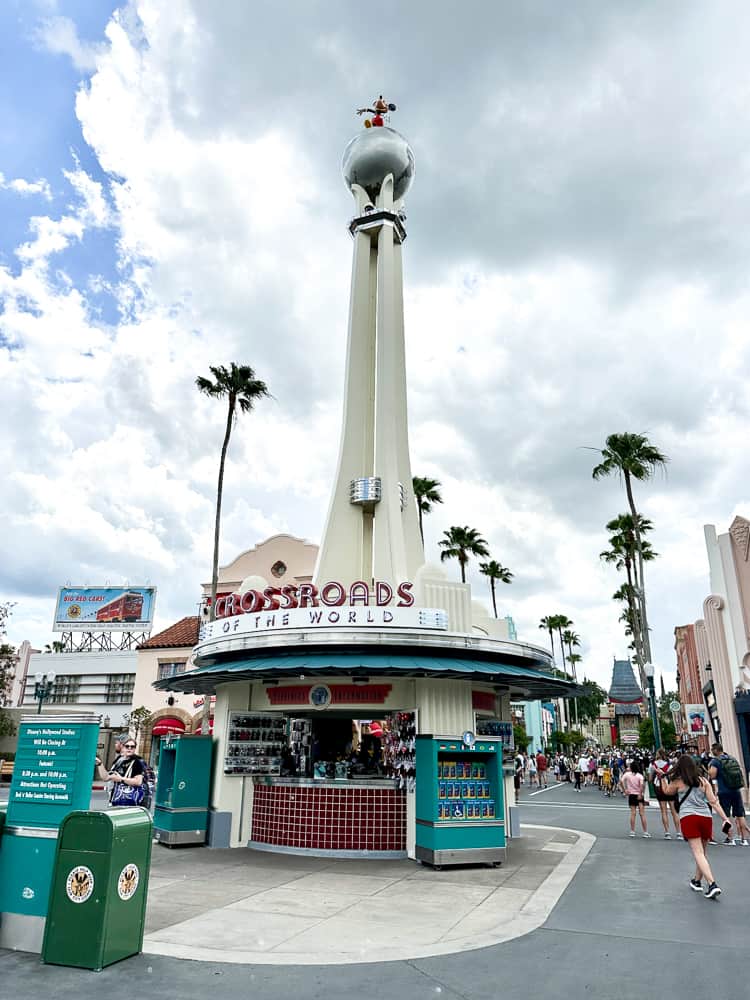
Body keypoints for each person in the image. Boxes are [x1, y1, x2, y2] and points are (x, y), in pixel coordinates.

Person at [661, 753, 732, 898]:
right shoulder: (703, 781)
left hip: (689, 817)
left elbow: (667, 792)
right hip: (706, 817)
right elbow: (713, 802)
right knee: (703, 853)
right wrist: (725, 818)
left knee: (698, 853)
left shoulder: (678, 782)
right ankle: (697, 881)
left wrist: (662, 778)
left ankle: (712, 884)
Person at [708, 743, 750, 846]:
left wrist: (709, 771)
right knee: (740, 815)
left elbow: (712, 775)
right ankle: (744, 839)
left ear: (715, 750)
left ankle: (730, 838)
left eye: (712, 750)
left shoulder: (715, 761)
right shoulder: (732, 758)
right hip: (736, 790)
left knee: (726, 815)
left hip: (724, 791)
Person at [95, 737, 145, 806]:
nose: (129, 748)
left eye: (132, 747)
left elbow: (138, 782)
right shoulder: (119, 760)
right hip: (115, 798)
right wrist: (100, 764)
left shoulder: (137, 762)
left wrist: (121, 779)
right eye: (127, 746)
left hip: (129, 801)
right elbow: (106, 777)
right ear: (122, 747)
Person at [651, 748, 682, 839]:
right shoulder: (669, 765)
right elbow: (673, 776)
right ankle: (678, 832)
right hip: (669, 787)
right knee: (674, 811)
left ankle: (667, 832)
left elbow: (649, 777)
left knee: (663, 811)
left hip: (659, 787)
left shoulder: (653, 765)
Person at [620, 760, 650, 837]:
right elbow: (642, 786)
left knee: (633, 813)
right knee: (642, 814)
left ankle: (632, 831)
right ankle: (645, 832)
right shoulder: (640, 776)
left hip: (631, 794)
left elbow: (621, 781)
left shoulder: (627, 774)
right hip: (639, 795)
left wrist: (624, 790)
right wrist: (641, 794)